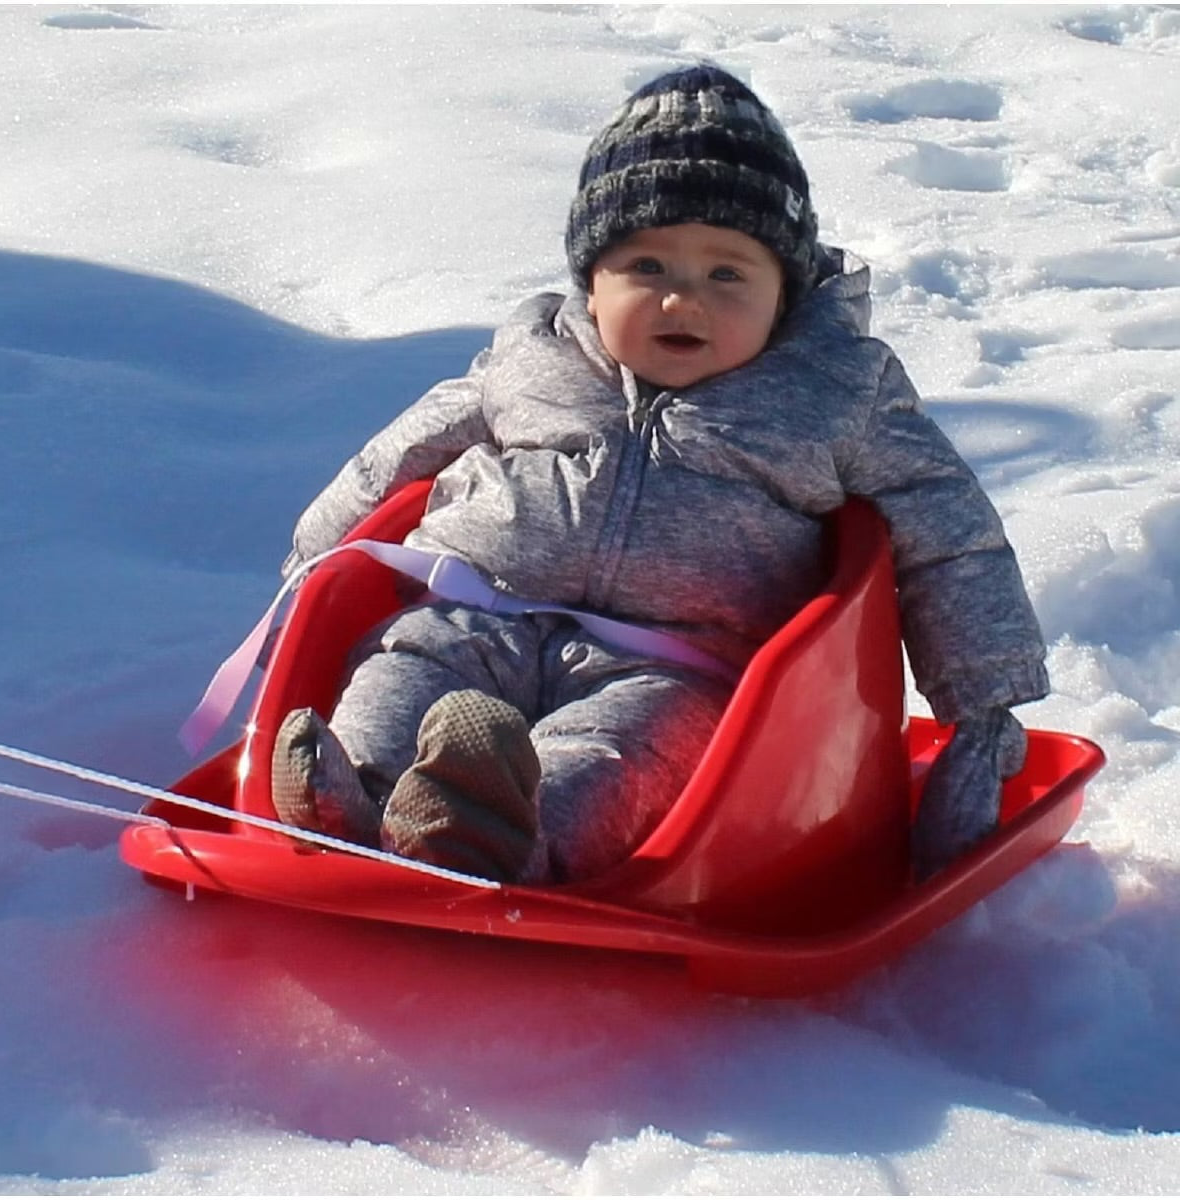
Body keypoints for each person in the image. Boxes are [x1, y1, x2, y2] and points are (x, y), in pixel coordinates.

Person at [271, 64, 1048, 886]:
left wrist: (981, 707)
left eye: (726, 275)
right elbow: (396, 458)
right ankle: (354, 797)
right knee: (400, 673)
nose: (684, 302)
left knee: (618, 756)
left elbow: (949, 535)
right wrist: (307, 578)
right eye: (647, 268)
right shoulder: (534, 357)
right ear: (591, 282)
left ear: (782, 294)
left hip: (678, 664)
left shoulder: (834, 391)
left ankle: (506, 836)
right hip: (473, 614)